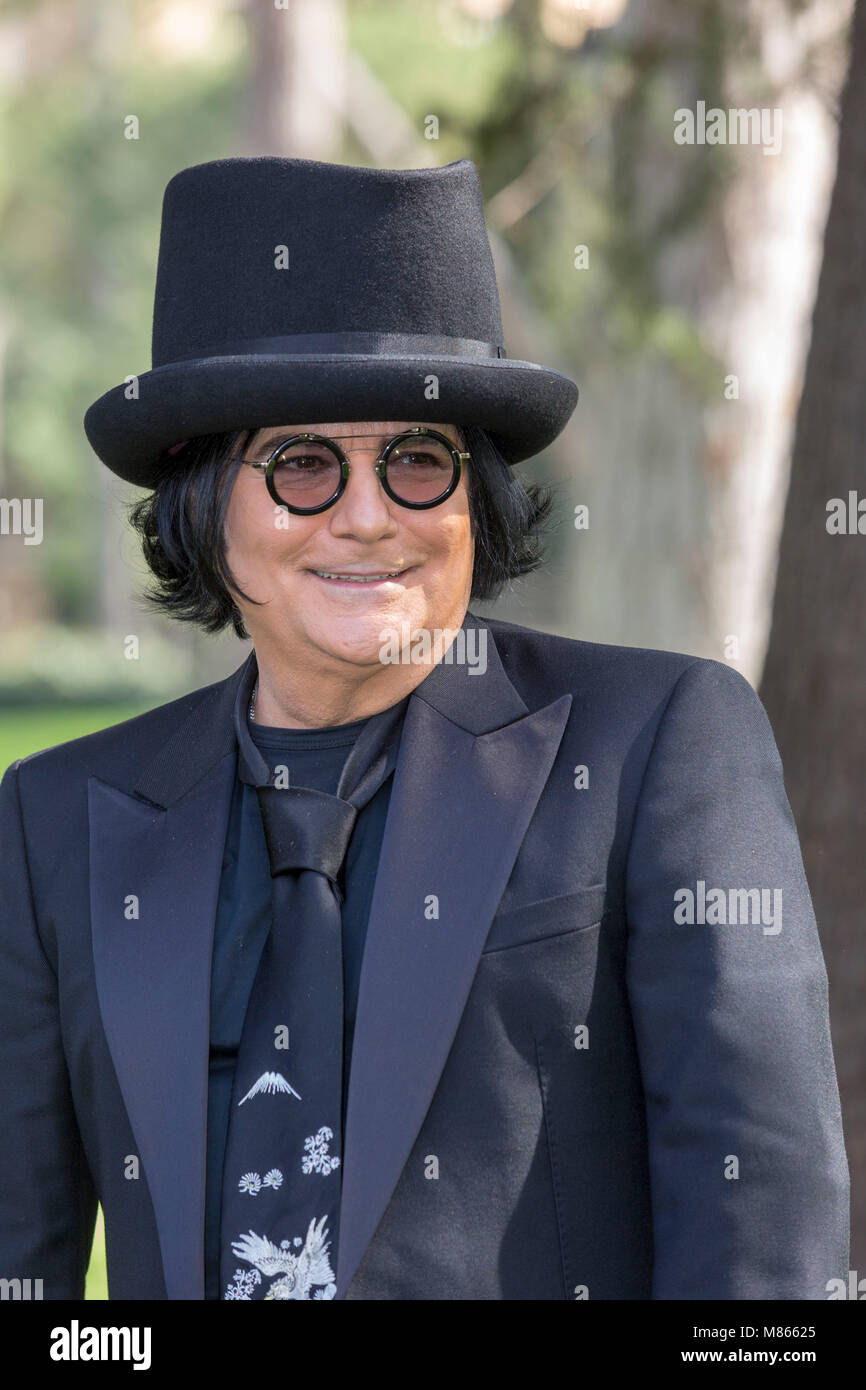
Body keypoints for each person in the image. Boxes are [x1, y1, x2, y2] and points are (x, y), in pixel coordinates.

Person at [0, 155, 848, 1300]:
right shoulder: (52, 820)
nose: (366, 517)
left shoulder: (660, 743)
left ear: (473, 500)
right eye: (301, 464)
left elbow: (762, 1237)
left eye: (416, 461)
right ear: (203, 503)